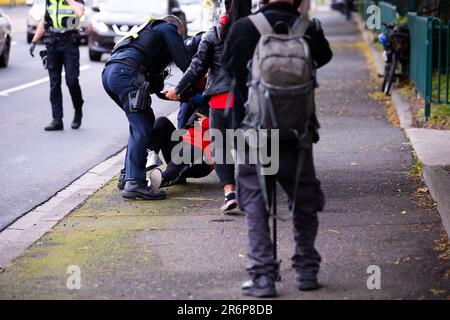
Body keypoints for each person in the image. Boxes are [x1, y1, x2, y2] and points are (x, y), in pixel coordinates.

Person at [222, 0, 332, 297]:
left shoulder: (244, 27)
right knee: (303, 202)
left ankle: (262, 277)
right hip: (297, 132)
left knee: (257, 205)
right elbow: (323, 58)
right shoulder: (308, 29)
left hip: (253, 133)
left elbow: (229, 71)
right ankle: (307, 270)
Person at [165, 0, 252, 212]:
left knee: (221, 148)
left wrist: (177, 90)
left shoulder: (214, 33)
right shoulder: (256, 31)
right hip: (249, 100)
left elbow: (197, 67)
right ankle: (255, 193)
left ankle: (229, 192)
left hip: (220, 102)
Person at [102, 15, 190, 201]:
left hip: (110, 74)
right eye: (180, 35)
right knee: (142, 127)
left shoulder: (145, 32)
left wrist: (162, 90)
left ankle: (128, 177)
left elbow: (153, 82)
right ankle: (134, 183)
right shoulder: (168, 28)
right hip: (126, 74)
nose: (178, 38)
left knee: (140, 123)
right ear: (176, 28)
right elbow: (186, 63)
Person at [30, 0, 85, 131]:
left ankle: (78, 110)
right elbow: (44, 21)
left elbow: (80, 12)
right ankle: (57, 119)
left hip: (70, 42)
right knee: (54, 83)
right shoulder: (50, 2)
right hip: (53, 43)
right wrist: (34, 41)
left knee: (72, 81)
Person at [147, 107, 214, 189]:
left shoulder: (227, 103)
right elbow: (182, 96)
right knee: (162, 121)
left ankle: (157, 181)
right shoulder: (202, 101)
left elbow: (230, 130)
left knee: (188, 151)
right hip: (183, 145)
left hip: (202, 157)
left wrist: (207, 123)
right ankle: (149, 158)